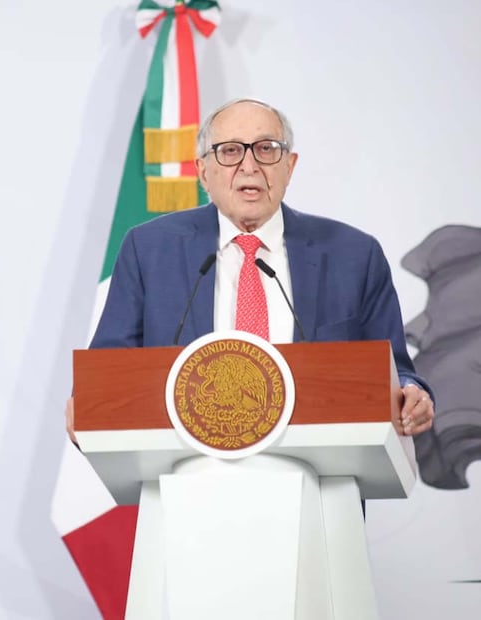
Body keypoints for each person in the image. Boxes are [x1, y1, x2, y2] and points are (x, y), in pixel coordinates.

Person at [66, 98, 434, 440]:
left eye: (266, 149)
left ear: (289, 166)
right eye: (230, 151)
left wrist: (410, 394)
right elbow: (110, 371)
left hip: (318, 475)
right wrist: (88, 403)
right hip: (184, 474)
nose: (249, 165)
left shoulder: (353, 255)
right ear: (203, 172)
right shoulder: (149, 250)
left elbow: (395, 373)